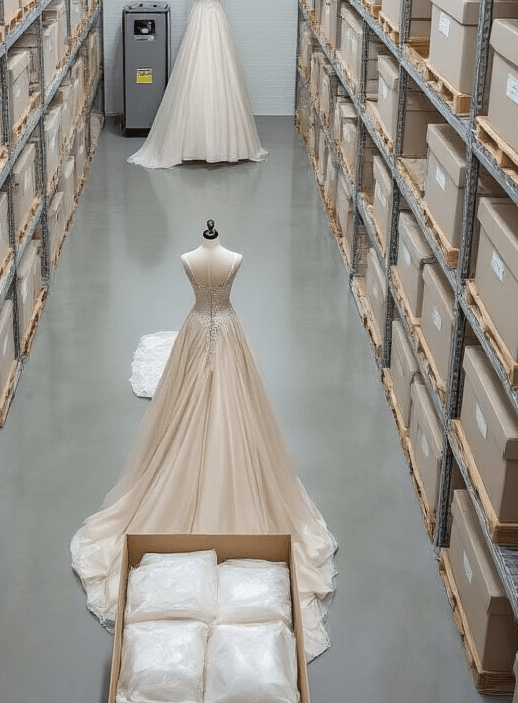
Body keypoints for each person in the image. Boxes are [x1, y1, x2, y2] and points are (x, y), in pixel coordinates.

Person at [71, 222, 337, 660]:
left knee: (227, 408)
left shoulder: (205, 260)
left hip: (202, 328)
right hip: (222, 330)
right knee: (192, 413)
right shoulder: (211, 260)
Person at [128, 0, 267, 168]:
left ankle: (226, 143)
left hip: (216, 19)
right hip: (198, 19)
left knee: (221, 73)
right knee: (194, 74)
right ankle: (190, 143)